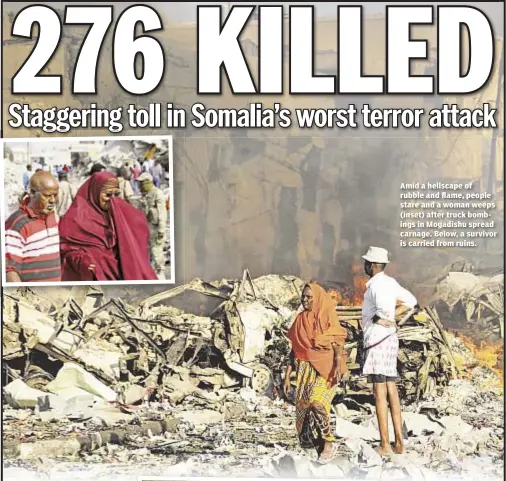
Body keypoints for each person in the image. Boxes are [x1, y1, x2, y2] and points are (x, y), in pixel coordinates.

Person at [360, 246, 417, 456]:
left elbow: (381, 311)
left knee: (379, 393)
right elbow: (412, 302)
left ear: (373, 266)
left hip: (378, 340)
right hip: (389, 339)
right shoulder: (391, 283)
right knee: (391, 390)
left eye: (367, 263)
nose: (364, 266)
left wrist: (381, 318)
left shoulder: (376, 286)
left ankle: (385, 445)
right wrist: (393, 317)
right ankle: (399, 443)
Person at [284, 282, 348, 462]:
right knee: (303, 412)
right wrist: (287, 375)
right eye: (303, 296)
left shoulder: (327, 315)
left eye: (309, 297)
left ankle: (329, 441)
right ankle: (311, 443)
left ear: (317, 298)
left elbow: (337, 341)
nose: (305, 300)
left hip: (326, 368)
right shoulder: (299, 320)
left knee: (317, 403)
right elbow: (294, 350)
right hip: (304, 369)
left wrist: (337, 364)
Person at [58, 172, 157, 281]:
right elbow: (65, 249)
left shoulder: (116, 211)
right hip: (92, 278)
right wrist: (81, 260)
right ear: (94, 192)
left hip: (118, 275)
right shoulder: (74, 219)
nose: (112, 199)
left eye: (116, 194)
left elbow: (136, 228)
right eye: (108, 195)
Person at [4, 171, 61, 283]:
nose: (53, 200)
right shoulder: (17, 224)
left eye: (55, 195)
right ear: (32, 193)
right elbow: (10, 270)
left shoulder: (52, 217)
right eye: (47, 196)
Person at [138, 172, 168, 280]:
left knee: (157, 252)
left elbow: (162, 213)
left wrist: (161, 230)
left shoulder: (157, 193)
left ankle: (160, 273)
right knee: (148, 253)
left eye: (141, 183)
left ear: (147, 182)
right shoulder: (144, 196)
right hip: (147, 229)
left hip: (155, 229)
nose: (140, 186)